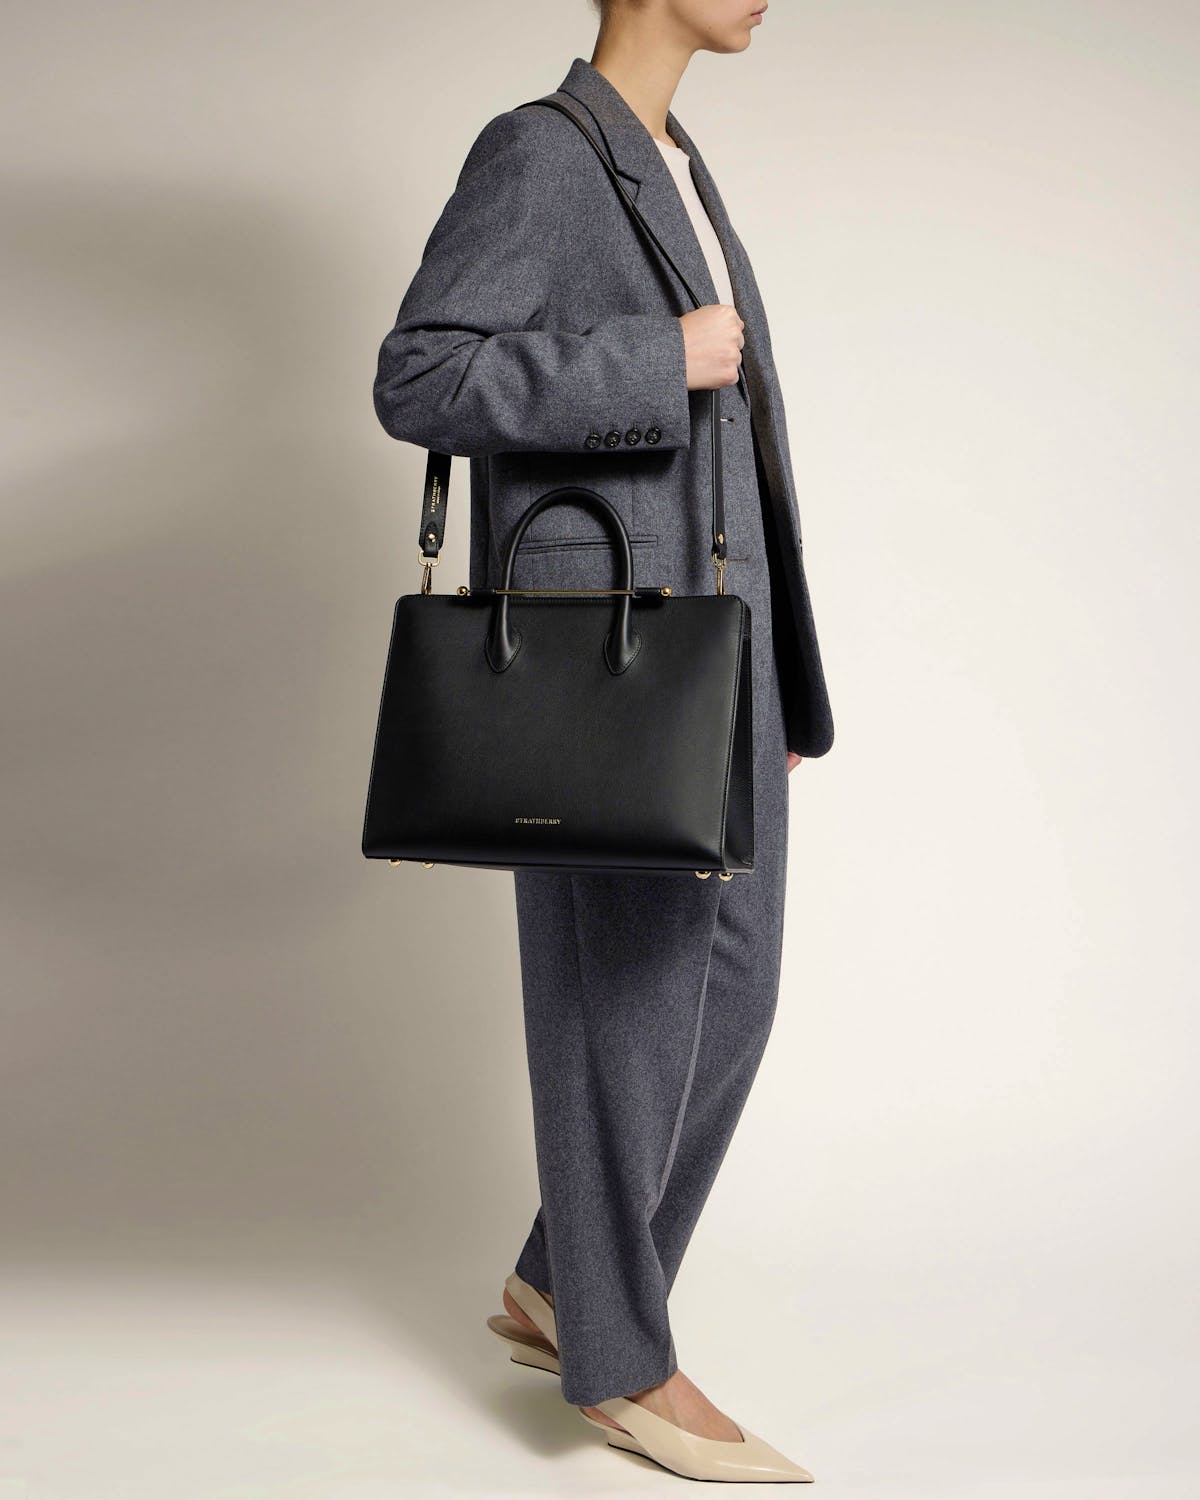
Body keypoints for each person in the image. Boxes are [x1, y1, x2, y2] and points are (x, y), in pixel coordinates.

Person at [372, 0, 834, 1482]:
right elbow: (421, 374)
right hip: (603, 672)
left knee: (735, 994)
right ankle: (619, 1365)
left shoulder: (681, 160)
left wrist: (785, 691)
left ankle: (564, 1284)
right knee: (622, 1004)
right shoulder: (539, 154)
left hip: (715, 664)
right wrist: (653, 358)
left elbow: (743, 460)